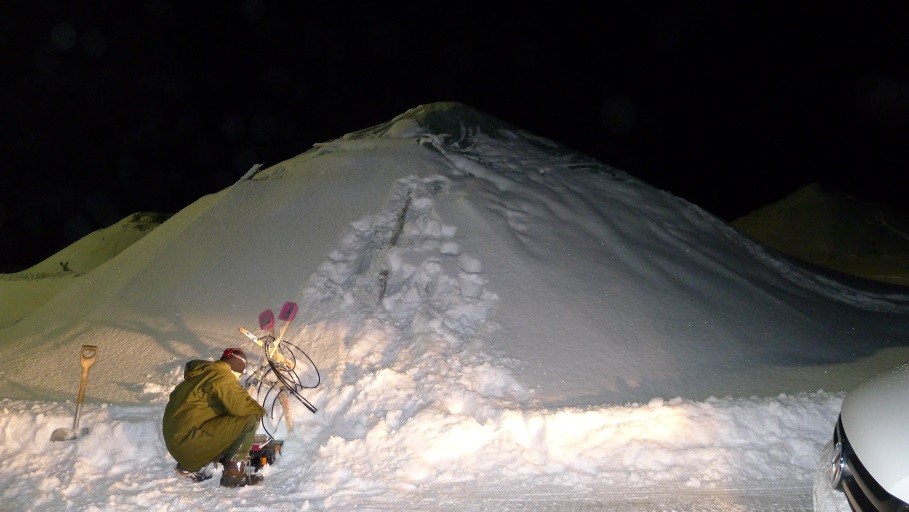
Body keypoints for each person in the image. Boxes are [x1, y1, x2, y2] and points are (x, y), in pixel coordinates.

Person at [162, 347, 266, 487]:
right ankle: (234, 476)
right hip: (187, 444)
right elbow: (242, 407)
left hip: (178, 443)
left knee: (227, 418)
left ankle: (187, 466)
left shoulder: (205, 373)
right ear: (235, 370)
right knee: (249, 417)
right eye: (239, 375)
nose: (237, 379)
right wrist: (260, 411)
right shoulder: (221, 375)